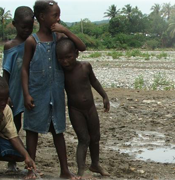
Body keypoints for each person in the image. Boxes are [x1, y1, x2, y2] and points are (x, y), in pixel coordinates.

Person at [21, 0, 86, 179]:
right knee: (32, 131)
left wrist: (65, 30)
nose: (58, 18)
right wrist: (26, 94)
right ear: (42, 17)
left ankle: (64, 170)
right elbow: (24, 68)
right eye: (55, 15)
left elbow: (82, 47)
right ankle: (31, 170)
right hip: (36, 93)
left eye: (59, 15)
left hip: (56, 93)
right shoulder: (31, 41)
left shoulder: (59, 38)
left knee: (58, 131)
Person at [56, 38, 110, 177]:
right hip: (75, 110)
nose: (65, 61)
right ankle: (81, 170)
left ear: (76, 54)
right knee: (84, 139)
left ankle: (95, 164)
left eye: (68, 57)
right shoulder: (61, 73)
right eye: (61, 59)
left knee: (95, 137)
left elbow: (94, 81)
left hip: (90, 108)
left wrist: (104, 96)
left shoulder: (85, 67)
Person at [2, 6, 34, 171]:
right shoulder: (10, 46)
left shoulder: (34, 42)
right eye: (23, 27)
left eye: (30, 27)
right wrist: (6, 94)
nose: (27, 30)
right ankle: (12, 160)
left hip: (30, 91)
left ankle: (29, 159)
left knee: (28, 126)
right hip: (15, 92)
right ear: (14, 24)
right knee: (14, 126)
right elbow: (6, 72)